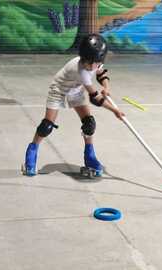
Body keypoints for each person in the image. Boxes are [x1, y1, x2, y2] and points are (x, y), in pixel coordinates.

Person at [23, 33, 124, 177]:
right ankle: (32, 150)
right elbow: (95, 98)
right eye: (90, 62)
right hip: (59, 90)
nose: (92, 66)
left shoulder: (95, 61)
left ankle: (90, 156)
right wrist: (115, 110)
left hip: (75, 91)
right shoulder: (81, 71)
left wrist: (106, 87)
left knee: (89, 124)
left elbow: (101, 74)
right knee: (47, 126)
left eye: (95, 62)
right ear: (84, 58)